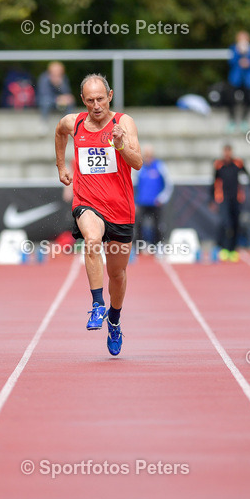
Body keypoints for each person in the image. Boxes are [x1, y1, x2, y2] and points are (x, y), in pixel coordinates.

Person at [55, 74, 142, 356]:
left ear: (110, 96)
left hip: (120, 208)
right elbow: (59, 131)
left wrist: (119, 145)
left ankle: (114, 320)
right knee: (92, 240)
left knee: (117, 274)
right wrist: (61, 167)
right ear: (83, 100)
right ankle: (96, 304)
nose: (96, 106)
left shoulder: (123, 123)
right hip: (87, 202)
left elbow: (138, 162)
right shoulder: (74, 122)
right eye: (90, 100)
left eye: (100, 99)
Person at [211, 144, 250, 261]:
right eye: (225, 151)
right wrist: (211, 199)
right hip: (223, 199)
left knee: (235, 224)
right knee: (226, 223)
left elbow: (249, 176)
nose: (227, 154)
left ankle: (233, 250)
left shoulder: (238, 163)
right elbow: (213, 182)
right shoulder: (218, 165)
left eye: (229, 151)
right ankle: (225, 249)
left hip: (236, 198)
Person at [133, 144, 173, 245]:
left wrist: (162, 198)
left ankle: (158, 245)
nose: (147, 158)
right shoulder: (139, 167)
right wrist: (134, 202)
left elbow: (168, 184)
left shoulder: (159, 166)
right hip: (142, 202)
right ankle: (139, 246)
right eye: (146, 155)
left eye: (149, 155)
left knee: (158, 225)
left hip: (155, 203)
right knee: (138, 225)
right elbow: (134, 185)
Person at [227, 30, 250, 131]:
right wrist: (239, 55)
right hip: (235, 79)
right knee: (231, 98)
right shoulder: (233, 49)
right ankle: (232, 120)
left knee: (248, 99)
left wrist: (249, 63)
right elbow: (231, 62)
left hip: (247, 79)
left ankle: (244, 121)